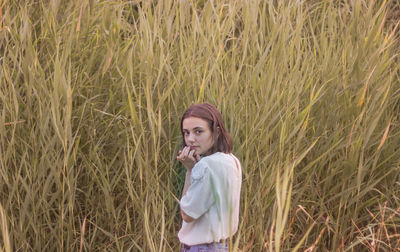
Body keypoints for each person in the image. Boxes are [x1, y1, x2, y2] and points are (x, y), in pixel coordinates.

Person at [177, 103, 242, 252]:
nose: (190, 139)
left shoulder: (206, 165)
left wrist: (189, 171)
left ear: (216, 132)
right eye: (186, 133)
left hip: (201, 248)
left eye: (198, 131)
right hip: (223, 246)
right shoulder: (232, 160)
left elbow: (187, 215)